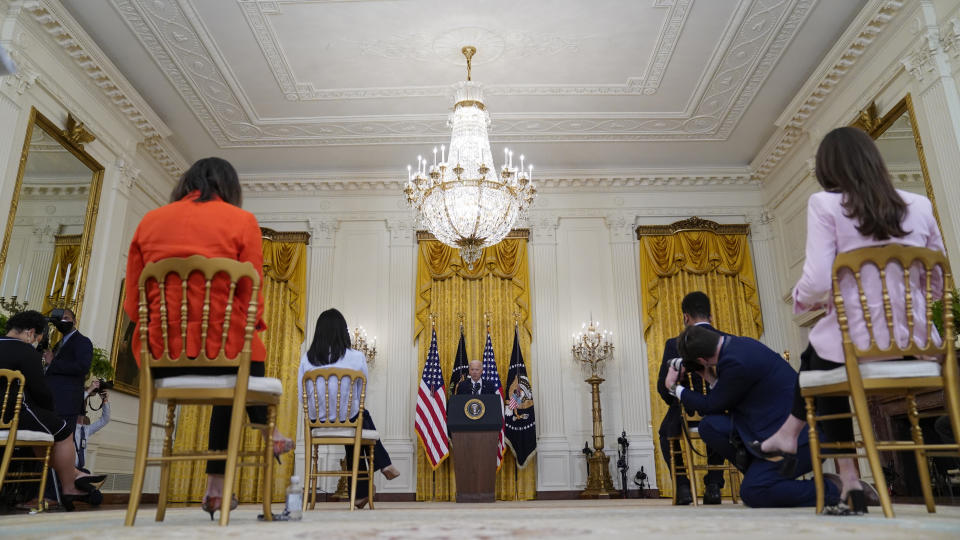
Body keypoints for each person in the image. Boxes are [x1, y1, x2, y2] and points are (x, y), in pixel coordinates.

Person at [754, 126, 943, 514]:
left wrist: (802, 302)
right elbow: (937, 280)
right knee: (815, 361)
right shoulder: (920, 204)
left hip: (857, 346)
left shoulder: (826, 205)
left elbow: (820, 279)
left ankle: (847, 479)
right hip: (919, 347)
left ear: (827, 170)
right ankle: (797, 443)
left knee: (814, 368)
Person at [123, 157, 294, 520]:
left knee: (233, 373)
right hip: (226, 356)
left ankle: (217, 485)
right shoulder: (242, 221)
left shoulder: (149, 222)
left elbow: (132, 305)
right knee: (245, 357)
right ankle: (262, 431)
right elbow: (253, 300)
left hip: (159, 362)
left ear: (187, 182)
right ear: (229, 188)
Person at [665, 325, 844, 508]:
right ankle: (761, 474)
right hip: (766, 428)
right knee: (710, 426)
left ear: (702, 359)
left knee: (753, 492)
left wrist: (673, 387)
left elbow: (710, 405)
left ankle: (837, 490)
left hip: (802, 437)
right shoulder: (739, 345)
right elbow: (728, 398)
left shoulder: (735, 363)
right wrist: (709, 376)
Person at [0, 310, 104, 510]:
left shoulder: (82, 342)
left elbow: (82, 367)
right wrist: (48, 411)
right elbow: (40, 390)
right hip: (15, 413)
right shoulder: (26, 351)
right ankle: (71, 482)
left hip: (50, 405)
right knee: (61, 431)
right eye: (38, 338)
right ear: (31, 333)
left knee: (44, 434)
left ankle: (71, 478)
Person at [297, 308, 399, 509]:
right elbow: (363, 390)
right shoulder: (356, 357)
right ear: (343, 332)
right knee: (360, 417)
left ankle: (362, 492)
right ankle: (382, 466)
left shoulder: (307, 359)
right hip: (349, 419)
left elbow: (302, 396)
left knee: (358, 423)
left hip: (316, 422)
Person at [655, 291, 727, 505]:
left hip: (686, 408)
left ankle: (683, 486)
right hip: (722, 408)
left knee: (665, 433)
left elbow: (662, 386)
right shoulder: (726, 339)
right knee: (718, 419)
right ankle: (714, 484)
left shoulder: (674, 344)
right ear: (711, 316)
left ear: (686, 317)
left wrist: (677, 401)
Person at [43, 308, 92, 427]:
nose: (63, 321)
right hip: (51, 400)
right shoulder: (58, 343)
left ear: (74, 321)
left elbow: (82, 367)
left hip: (66, 402)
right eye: (60, 319)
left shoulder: (82, 341)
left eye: (66, 318)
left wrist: (53, 362)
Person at [74, 379, 110, 471]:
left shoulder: (86, 430)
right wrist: (89, 390)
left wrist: (105, 401)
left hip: (80, 469)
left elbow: (105, 420)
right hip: (68, 470)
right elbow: (74, 403)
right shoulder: (69, 426)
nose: (84, 410)